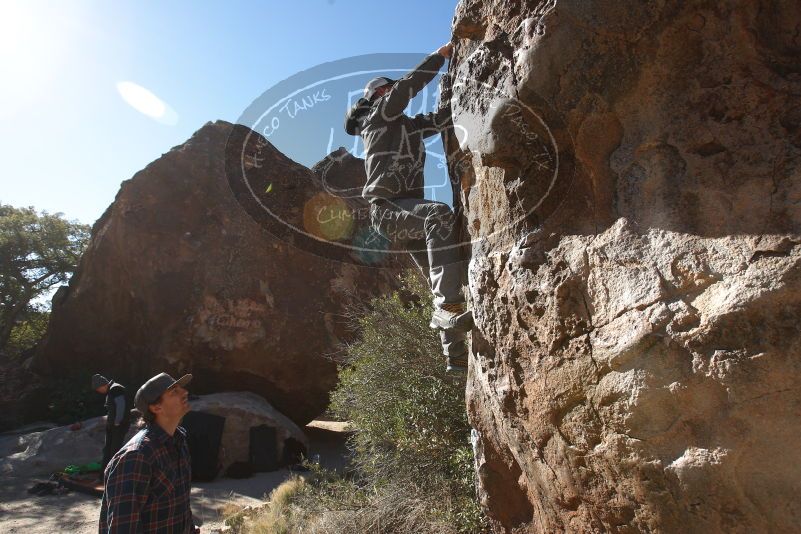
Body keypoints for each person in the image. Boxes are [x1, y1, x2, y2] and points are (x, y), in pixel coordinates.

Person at [344, 42, 472, 372]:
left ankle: (454, 354)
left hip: (405, 211)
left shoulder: (407, 126)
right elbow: (409, 86)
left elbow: (442, 118)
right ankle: (450, 312)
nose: (391, 92)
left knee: (438, 272)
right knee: (438, 215)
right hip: (387, 208)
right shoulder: (378, 118)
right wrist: (440, 57)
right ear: (376, 97)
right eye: (386, 89)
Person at [99, 372, 197, 533]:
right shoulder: (136, 456)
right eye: (174, 391)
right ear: (156, 407)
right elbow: (123, 528)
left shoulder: (179, 442)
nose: (185, 392)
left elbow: (180, 506)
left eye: (181, 389)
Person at [92, 374, 132, 470]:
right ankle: (103, 476)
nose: (99, 392)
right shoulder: (112, 390)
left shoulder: (116, 389)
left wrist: (117, 421)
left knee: (113, 451)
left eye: (98, 389)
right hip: (113, 425)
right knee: (108, 450)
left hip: (118, 425)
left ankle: (111, 475)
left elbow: (121, 406)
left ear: (102, 385)